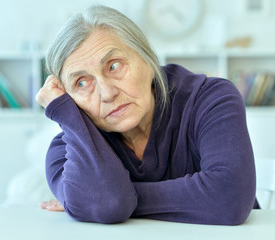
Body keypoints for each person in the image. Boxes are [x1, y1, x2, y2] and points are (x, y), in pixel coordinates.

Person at [35, 5, 259, 225]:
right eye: (81, 83)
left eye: (114, 66)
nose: (107, 94)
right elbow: (109, 203)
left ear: (148, 59)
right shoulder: (65, 154)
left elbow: (229, 198)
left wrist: (107, 199)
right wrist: (64, 114)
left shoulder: (211, 99)